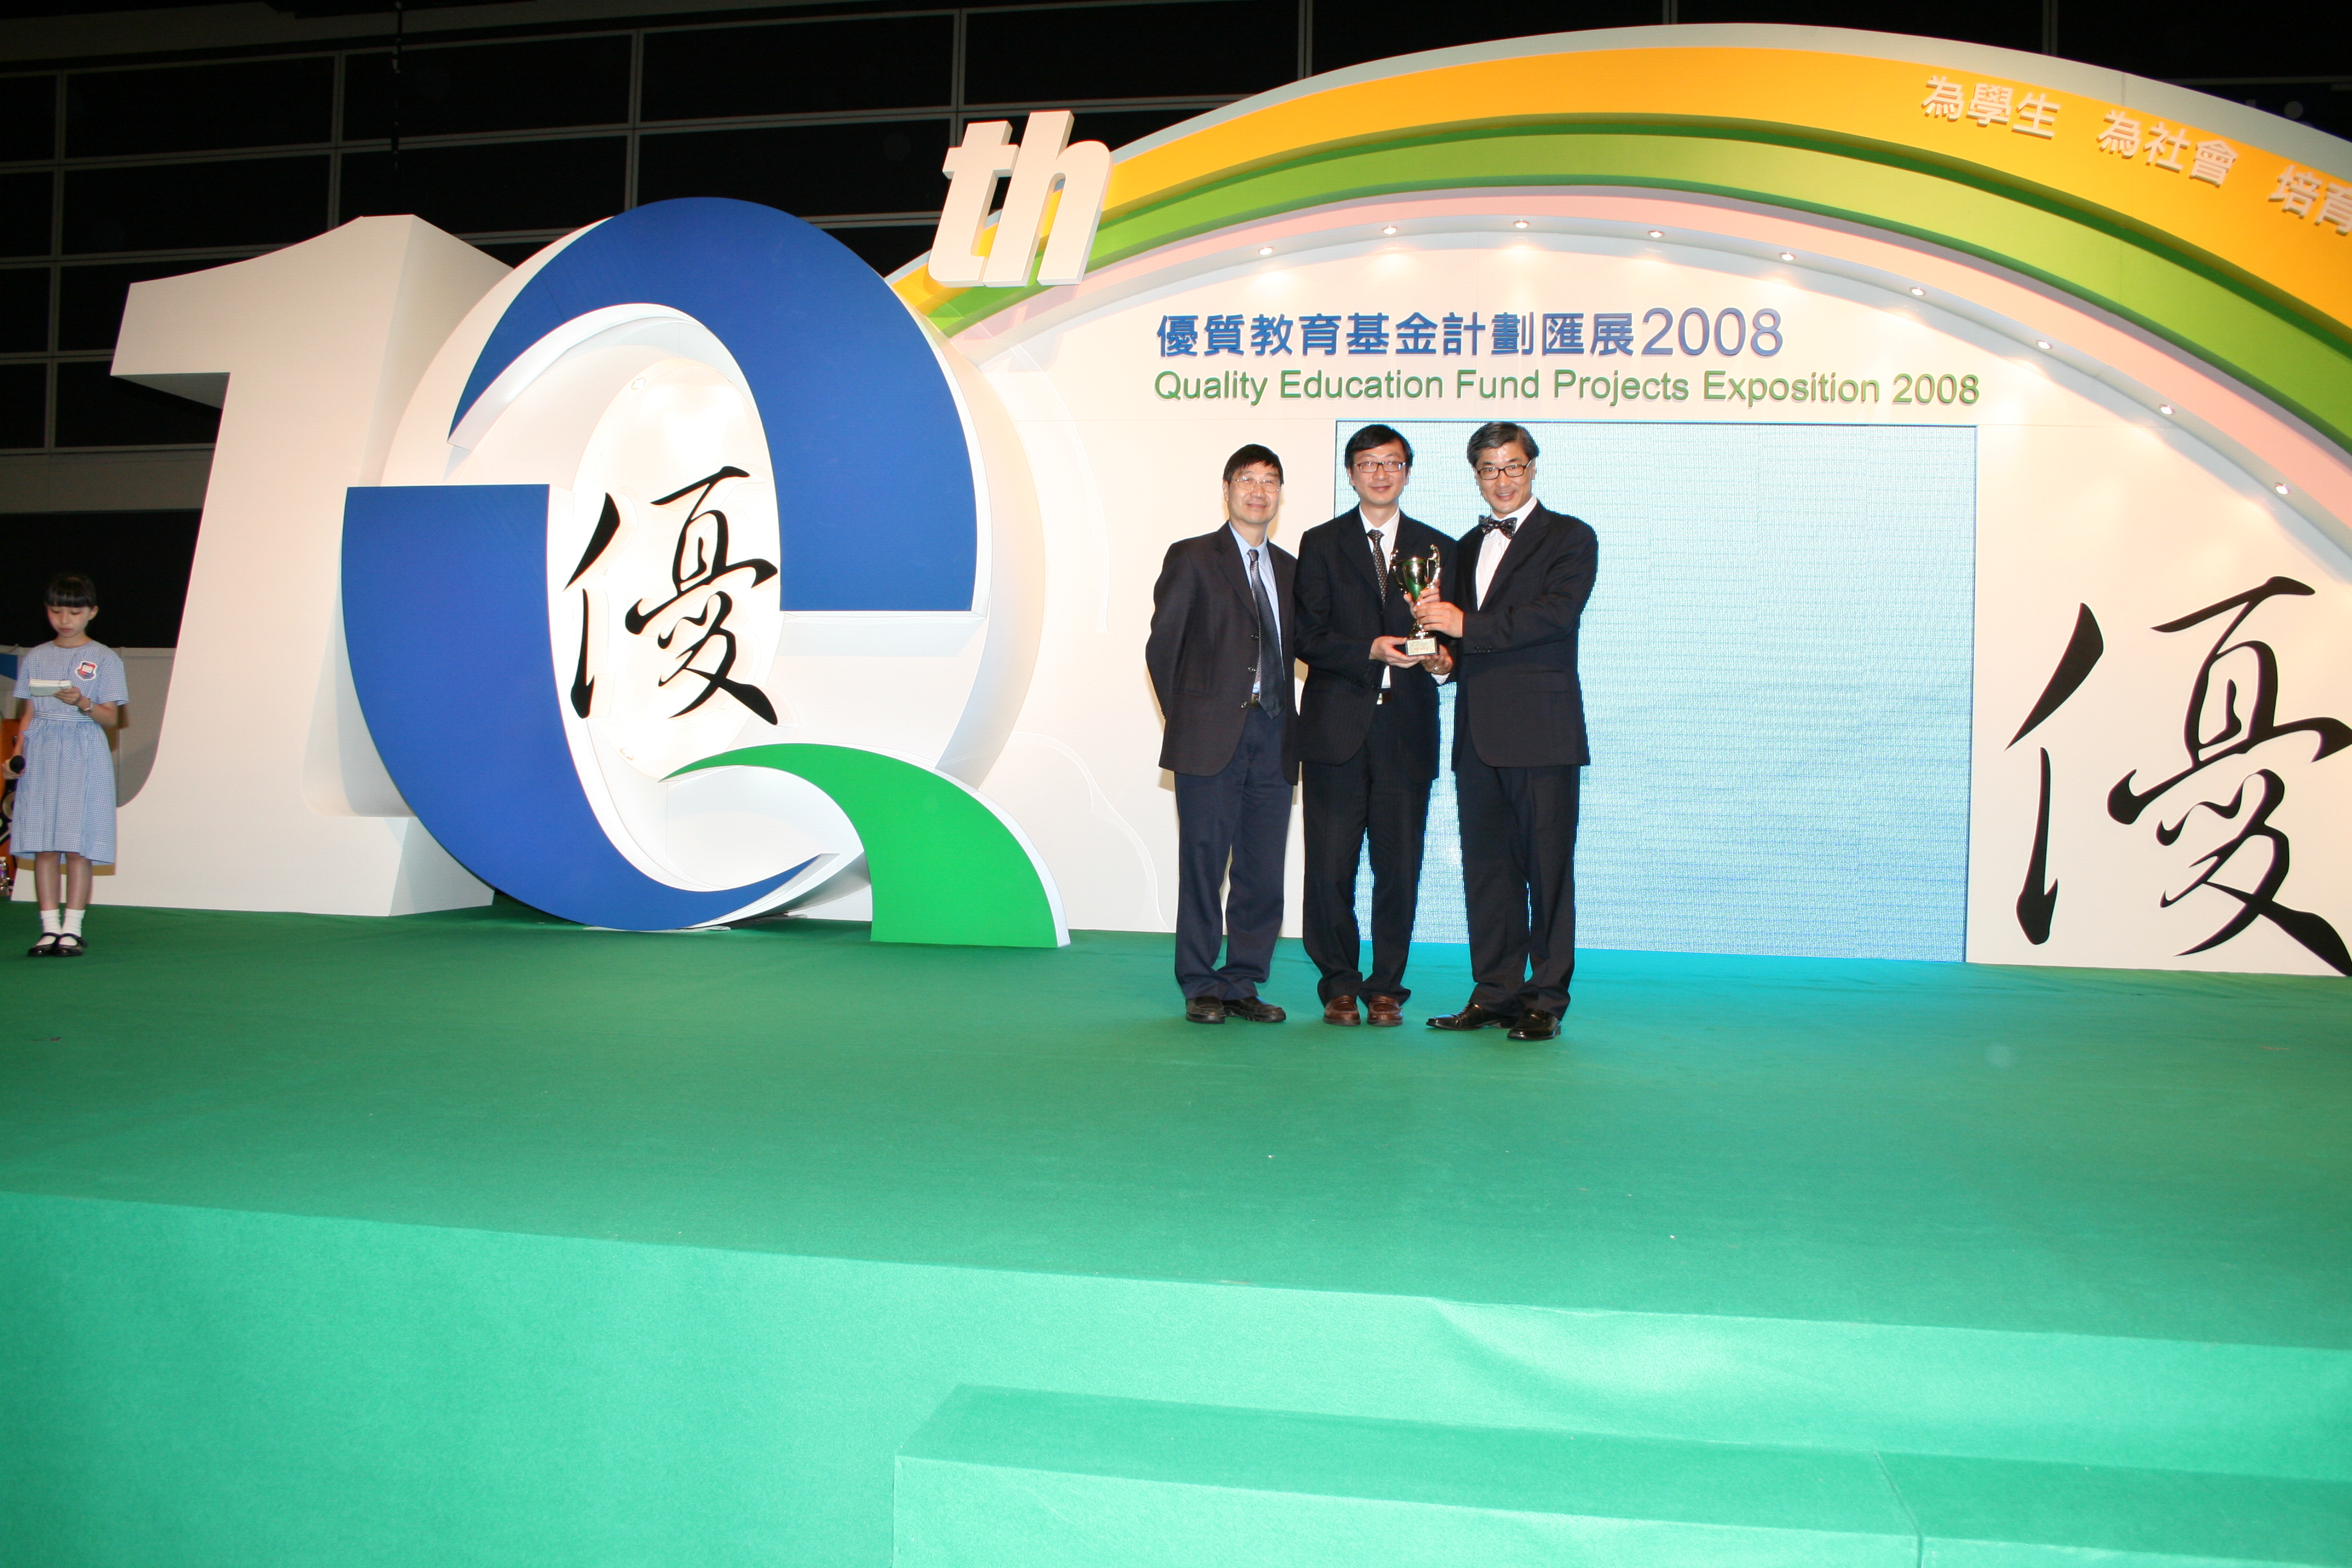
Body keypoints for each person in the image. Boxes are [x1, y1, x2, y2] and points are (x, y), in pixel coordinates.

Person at [1412, 423, 1596, 1040]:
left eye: (1513, 466)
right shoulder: (1463, 547)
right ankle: (1495, 991)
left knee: (1546, 869)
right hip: (1479, 736)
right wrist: (1445, 662)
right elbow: (1467, 644)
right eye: (1489, 469)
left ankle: (1546, 998)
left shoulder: (1570, 537)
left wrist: (1465, 624)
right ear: (1476, 476)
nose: (1503, 479)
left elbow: (1553, 616)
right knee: (1486, 869)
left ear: (1534, 467)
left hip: (1544, 733)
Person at [1293, 424, 1455, 1027]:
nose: (1380, 474)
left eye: (1392, 463)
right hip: (1337, 732)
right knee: (1330, 867)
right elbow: (1306, 635)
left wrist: (1441, 662)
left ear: (1408, 472)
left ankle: (1386, 986)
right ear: (1351, 473)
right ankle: (1338, 982)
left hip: (1407, 733)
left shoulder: (1440, 548)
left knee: (1398, 868)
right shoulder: (1321, 543)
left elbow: (1448, 639)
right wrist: (1370, 650)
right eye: (1368, 464)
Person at [1145, 445, 1298, 1024]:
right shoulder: (1192, 557)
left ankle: (1243, 982)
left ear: (1280, 494)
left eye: (1270, 482)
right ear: (1227, 489)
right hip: (1209, 738)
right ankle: (1201, 983)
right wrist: (1191, 722)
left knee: (1262, 868)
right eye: (1247, 480)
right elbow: (1163, 651)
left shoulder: (1289, 569)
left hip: (1277, 732)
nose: (1259, 492)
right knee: (1205, 864)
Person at [13, 572, 127, 958]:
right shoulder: (36, 656)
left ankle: (72, 928)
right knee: (45, 843)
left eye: (75, 611)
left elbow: (111, 718)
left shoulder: (105, 658)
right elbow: (27, 713)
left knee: (78, 843)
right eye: (56, 610)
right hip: (43, 750)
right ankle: (48, 928)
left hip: (83, 746)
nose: (65, 619)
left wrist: (81, 702)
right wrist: (16, 755)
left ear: (91, 613)